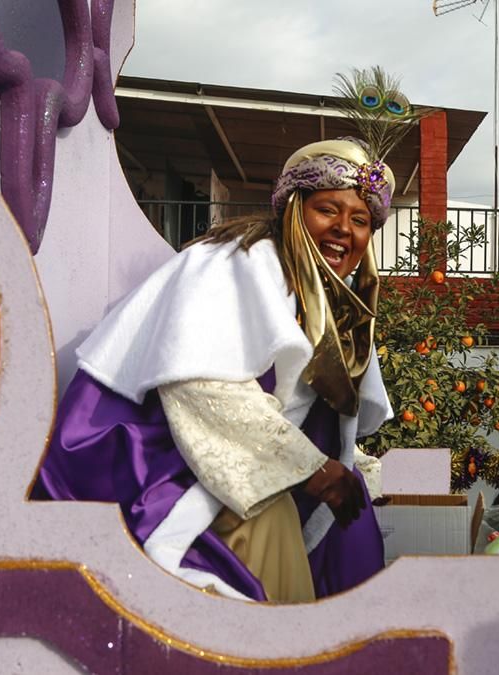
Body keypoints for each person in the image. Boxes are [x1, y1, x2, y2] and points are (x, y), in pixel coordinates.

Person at [34, 138, 393, 603]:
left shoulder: (333, 303)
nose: (344, 229)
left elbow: (306, 417)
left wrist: (341, 468)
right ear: (294, 209)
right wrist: (311, 469)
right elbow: (202, 389)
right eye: (328, 210)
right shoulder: (231, 264)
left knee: (352, 524)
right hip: (141, 454)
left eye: (360, 220)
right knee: (272, 517)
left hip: (225, 453)